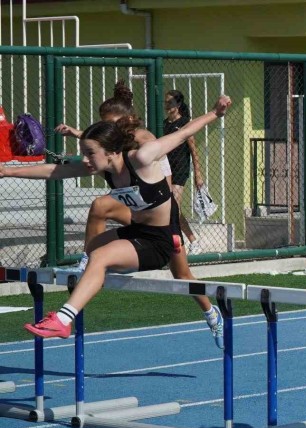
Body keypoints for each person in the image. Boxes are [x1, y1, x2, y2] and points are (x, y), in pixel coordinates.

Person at [3, 95, 231, 341]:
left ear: (112, 151)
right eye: (84, 154)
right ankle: (97, 270)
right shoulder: (104, 167)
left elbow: (183, 133)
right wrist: (7, 170)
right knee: (93, 249)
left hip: (160, 239)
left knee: (161, 270)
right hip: (137, 228)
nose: (85, 160)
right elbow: (56, 171)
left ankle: (63, 319)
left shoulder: (142, 156)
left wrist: (215, 113)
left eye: (90, 154)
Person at [164, 90, 204, 255]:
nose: (167, 106)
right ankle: (187, 241)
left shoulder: (186, 123)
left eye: (170, 103)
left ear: (178, 104)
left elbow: (193, 151)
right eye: (166, 102)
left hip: (180, 169)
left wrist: (198, 173)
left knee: (174, 207)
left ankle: (190, 242)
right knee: (169, 208)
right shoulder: (164, 124)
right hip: (166, 170)